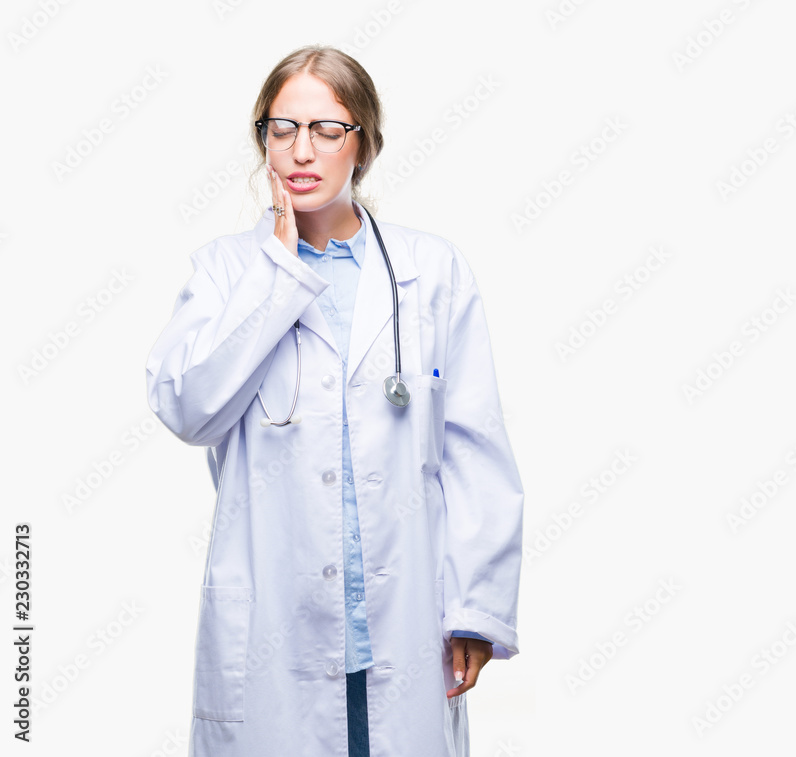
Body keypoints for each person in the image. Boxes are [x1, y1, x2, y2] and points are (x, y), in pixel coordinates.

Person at [144, 45, 524, 757]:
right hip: (273, 625)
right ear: (263, 139)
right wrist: (276, 275)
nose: (301, 150)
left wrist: (475, 606)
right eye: (283, 128)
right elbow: (190, 409)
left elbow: (474, 449)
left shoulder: (431, 271)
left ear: (364, 143)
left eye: (327, 129)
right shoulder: (227, 272)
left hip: (404, 619)